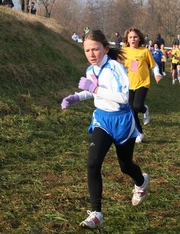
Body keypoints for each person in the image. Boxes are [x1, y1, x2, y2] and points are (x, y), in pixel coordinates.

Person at [60, 30, 149, 229]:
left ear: (106, 49)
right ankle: (96, 213)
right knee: (92, 163)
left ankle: (141, 181)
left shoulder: (115, 67)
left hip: (122, 121)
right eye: (87, 50)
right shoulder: (90, 69)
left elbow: (124, 98)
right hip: (102, 120)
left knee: (125, 166)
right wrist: (77, 97)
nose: (91, 54)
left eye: (95, 49)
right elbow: (92, 90)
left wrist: (94, 89)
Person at [122, 28, 162, 143]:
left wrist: (157, 74)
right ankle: (140, 133)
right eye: (130, 37)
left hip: (142, 83)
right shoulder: (124, 51)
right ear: (127, 39)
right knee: (131, 110)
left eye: (135, 37)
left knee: (137, 106)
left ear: (139, 38)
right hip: (129, 84)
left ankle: (145, 109)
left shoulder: (144, 51)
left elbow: (154, 65)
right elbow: (119, 66)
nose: (133, 39)